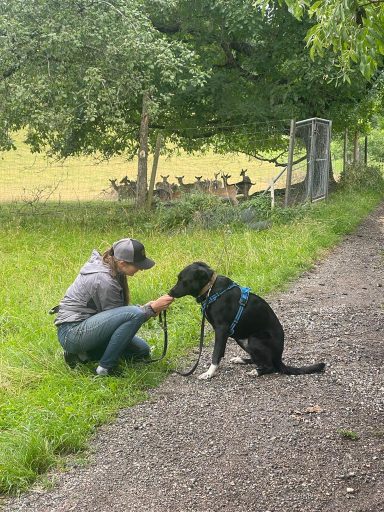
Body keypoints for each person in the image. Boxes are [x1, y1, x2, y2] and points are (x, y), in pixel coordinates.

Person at [54, 238, 173, 376]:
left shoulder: (113, 268)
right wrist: (151, 309)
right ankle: (105, 368)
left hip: (85, 326)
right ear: (122, 263)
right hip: (72, 332)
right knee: (136, 314)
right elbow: (124, 317)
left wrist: (147, 308)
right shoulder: (104, 279)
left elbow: (117, 316)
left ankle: (82, 355)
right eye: (138, 265)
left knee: (142, 351)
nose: (141, 269)